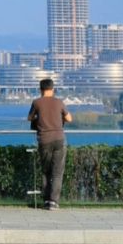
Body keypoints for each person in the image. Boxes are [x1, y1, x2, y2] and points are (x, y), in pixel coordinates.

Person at [28, 77, 72, 210]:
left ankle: (46, 200)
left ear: (40, 89)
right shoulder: (59, 102)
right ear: (53, 89)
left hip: (44, 140)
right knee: (57, 172)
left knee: (46, 171)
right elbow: (69, 118)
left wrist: (40, 118)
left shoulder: (36, 102)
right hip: (59, 139)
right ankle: (54, 202)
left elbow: (29, 118)